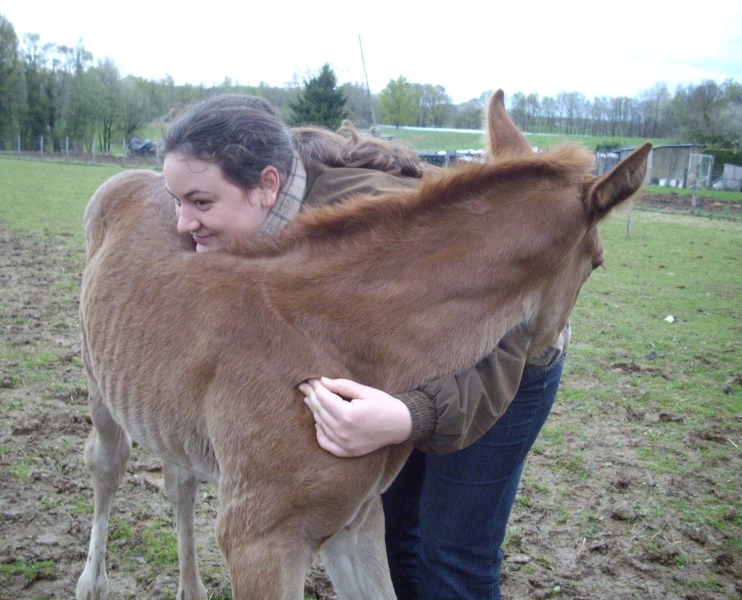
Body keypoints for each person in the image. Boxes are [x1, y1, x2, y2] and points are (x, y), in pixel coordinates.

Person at [161, 94, 568, 600]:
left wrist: (408, 416)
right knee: (395, 533)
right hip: (413, 357)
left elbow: (507, 336)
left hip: (507, 361)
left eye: (200, 202)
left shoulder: (377, 220)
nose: (182, 223)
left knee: (453, 553)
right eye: (176, 201)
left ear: (267, 186)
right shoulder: (268, 215)